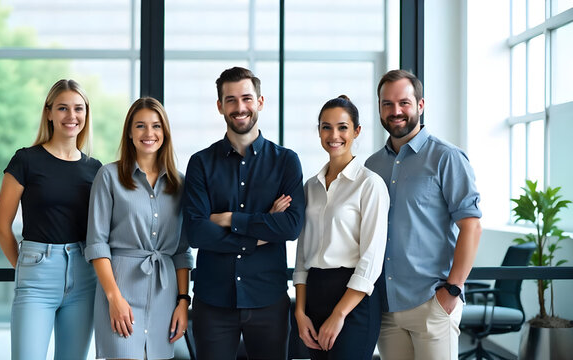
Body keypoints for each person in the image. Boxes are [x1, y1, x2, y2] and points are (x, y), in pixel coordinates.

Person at [182, 66, 305, 360]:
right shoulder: (200, 163)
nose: (240, 108)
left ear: (260, 102)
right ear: (220, 106)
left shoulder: (286, 162)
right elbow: (197, 231)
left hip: (268, 300)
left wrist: (228, 219)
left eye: (247, 99)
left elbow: (289, 228)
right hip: (213, 302)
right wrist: (262, 231)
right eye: (231, 100)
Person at [365, 69, 483, 360]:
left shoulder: (446, 157)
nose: (396, 111)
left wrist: (451, 291)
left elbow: (471, 226)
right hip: (385, 307)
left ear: (420, 105)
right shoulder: (372, 165)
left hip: (432, 302)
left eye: (404, 103)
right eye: (387, 104)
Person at [0, 79, 101, 360]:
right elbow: (1, 226)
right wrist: (27, 266)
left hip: (84, 275)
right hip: (37, 273)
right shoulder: (26, 160)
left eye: (78, 108)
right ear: (49, 113)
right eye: (63, 108)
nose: (71, 116)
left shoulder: (95, 169)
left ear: (86, 114)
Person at [85, 97, 193, 360]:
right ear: (130, 133)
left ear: (165, 133)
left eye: (156, 126)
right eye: (140, 126)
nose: (149, 133)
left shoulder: (179, 183)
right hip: (120, 291)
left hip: (164, 296)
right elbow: (97, 244)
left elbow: (181, 250)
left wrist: (182, 301)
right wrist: (114, 298)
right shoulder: (108, 177)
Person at [293, 95, 389, 359]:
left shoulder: (370, 184)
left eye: (342, 127)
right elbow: (303, 255)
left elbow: (371, 259)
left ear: (356, 131)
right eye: (326, 127)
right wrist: (300, 313)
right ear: (319, 131)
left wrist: (339, 314)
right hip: (314, 294)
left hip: (353, 300)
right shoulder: (311, 186)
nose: (334, 135)